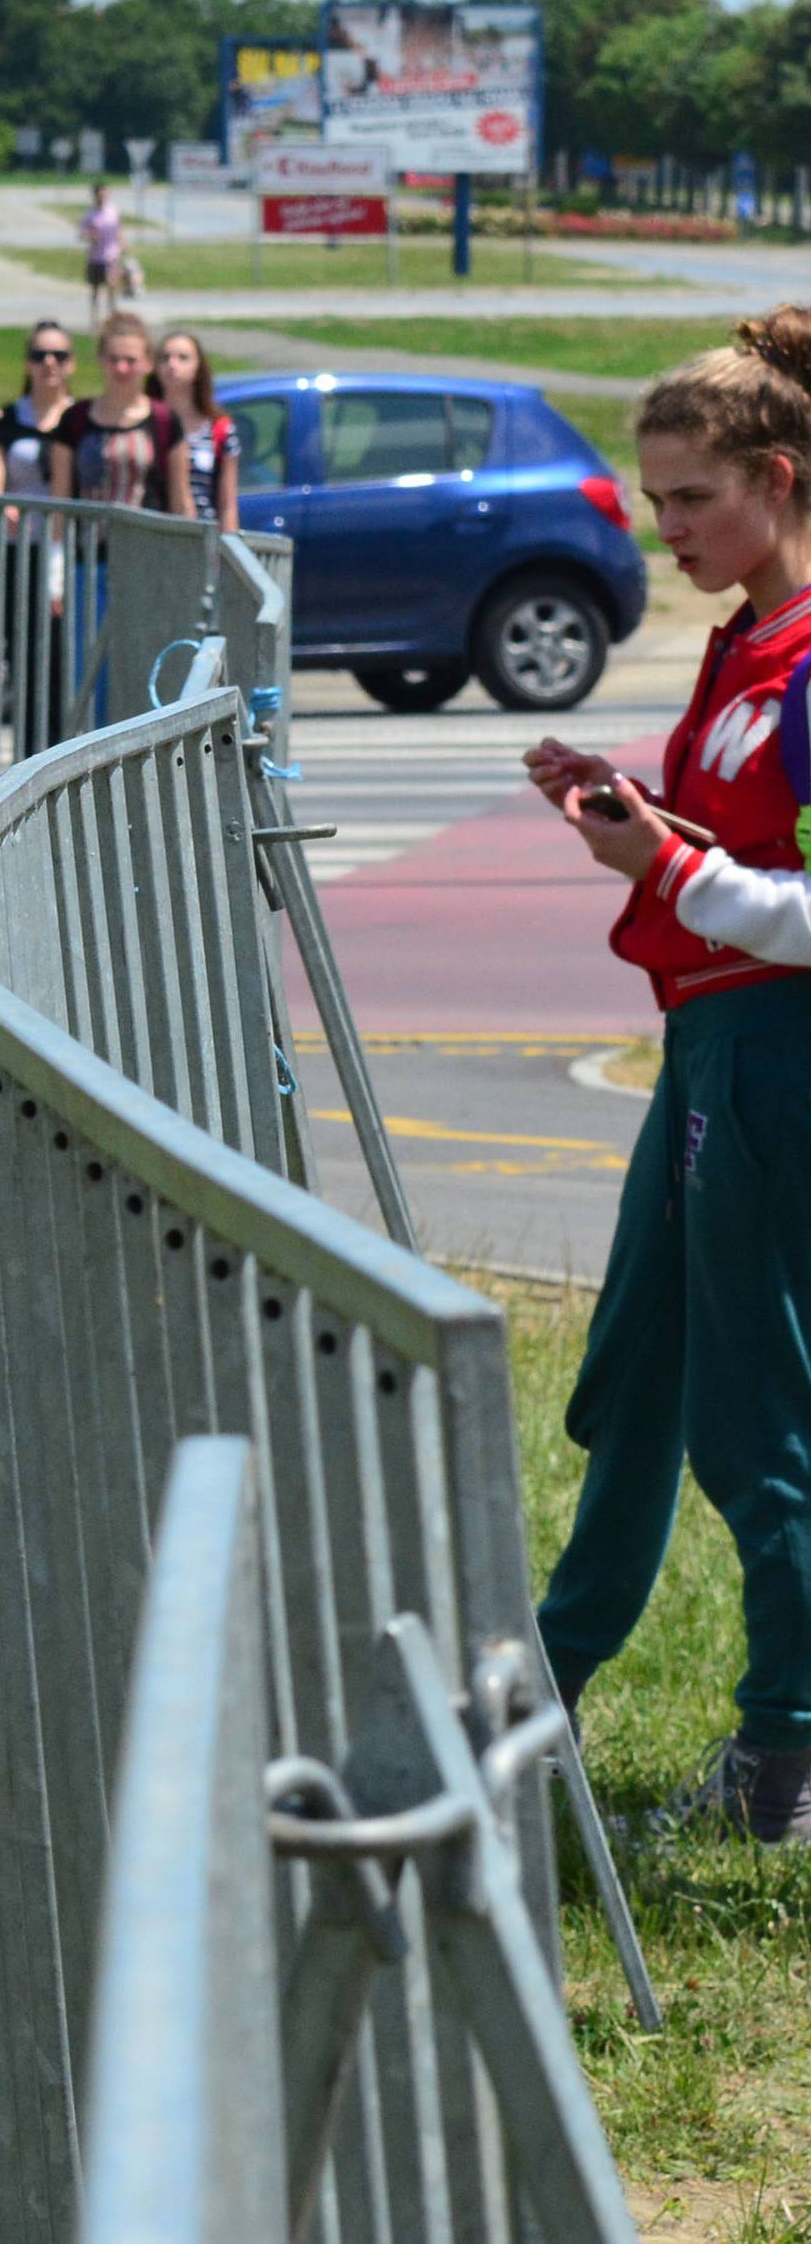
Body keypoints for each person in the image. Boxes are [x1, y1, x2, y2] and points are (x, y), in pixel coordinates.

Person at [527, 305, 811, 1843]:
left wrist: (676, 866)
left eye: (692, 498)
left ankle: (786, 1766)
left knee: (758, 1419)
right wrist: (633, 815)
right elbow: (735, 851)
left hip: (775, 1056)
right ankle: (534, 1697)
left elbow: (791, 904)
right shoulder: (747, 644)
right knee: (633, 1381)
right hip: (708, 1043)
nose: (669, 529)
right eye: (655, 502)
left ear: (778, 475)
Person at [0, 320, 75, 750]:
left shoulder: (81, 417)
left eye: (58, 356)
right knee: (25, 661)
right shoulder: (6, 418)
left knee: (65, 662)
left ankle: (67, 755)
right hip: (21, 555)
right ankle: (31, 759)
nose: (48, 364)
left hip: (70, 556)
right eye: (39, 356)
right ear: (27, 363)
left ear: (71, 364)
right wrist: (2, 505)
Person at [48, 310, 190, 516]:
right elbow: (59, 499)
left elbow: (180, 499)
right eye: (113, 359)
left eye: (130, 360)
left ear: (148, 363)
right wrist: (56, 546)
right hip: (85, 544)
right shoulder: (74, 418)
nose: (121, 368)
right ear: (101, 360)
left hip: (146, 543)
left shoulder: (165, 419)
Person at [153, 327, 242, 530]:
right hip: (152, 536)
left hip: (201, 538)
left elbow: (227, 504)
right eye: (165, 358)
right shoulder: (145, 421)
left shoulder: (220, 429)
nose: (172, 365)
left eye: (182, 358)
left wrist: (228, 548)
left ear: (198, 368)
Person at [78, 181, 123, 325]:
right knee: (95, 289)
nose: (102, 196)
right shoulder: (90, 214)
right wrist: (90, 236)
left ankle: (112, 318)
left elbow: (119, 231)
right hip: (94, 256)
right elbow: (82, 234)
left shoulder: (113, 212)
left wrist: (122, 248)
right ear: (94, 195)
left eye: (104, 193)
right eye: (99, 194)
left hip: (111, 256)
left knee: (112, 287)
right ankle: (94, 319)